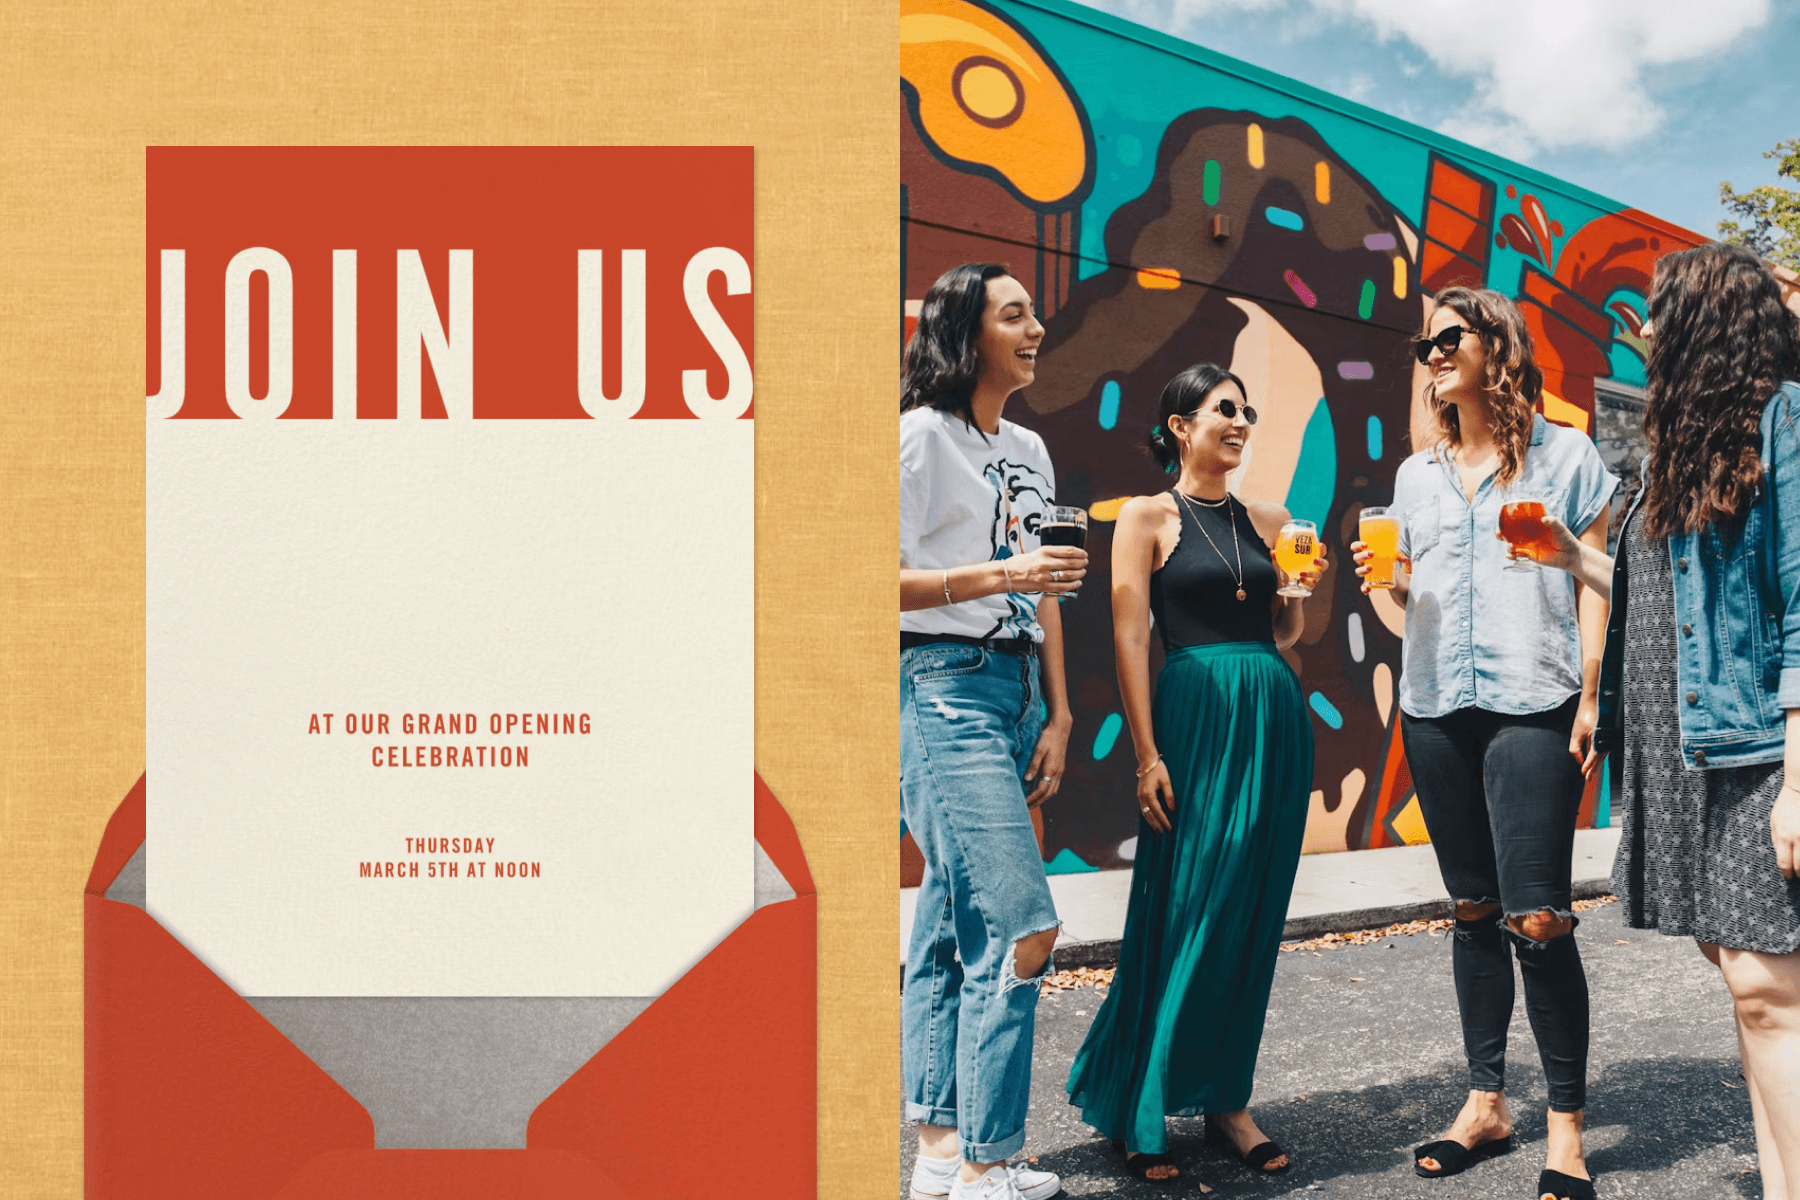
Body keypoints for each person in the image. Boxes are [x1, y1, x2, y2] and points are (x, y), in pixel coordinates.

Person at [1532, 243, 1800, 1200]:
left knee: (1770, 986)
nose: (1641, 329)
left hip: (1756, 743)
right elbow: (1654, 599)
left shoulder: (1785, 418)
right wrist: (1569, 553)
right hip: (1678, 749)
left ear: (1705, 317)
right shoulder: (1675, 449)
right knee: (1747, 981)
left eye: (1657, 310)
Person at [1350, 287, 1615, 1200]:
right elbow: (1405, 605)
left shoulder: (1567, 454)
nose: (1432, 353)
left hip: (1534, 702)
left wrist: (1590, 690)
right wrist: (1381, 586)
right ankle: (1486, 1101)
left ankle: (1567, 1129)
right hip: (1433, 707)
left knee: (1537, 916)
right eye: (1425, 343)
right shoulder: (1415, 478)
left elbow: (1596, 580)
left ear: (1496, 344)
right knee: (1470, 908)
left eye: (1449, 338)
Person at [1064, 362, 1324, 1186]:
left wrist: (1301, 593)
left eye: (1246, 411)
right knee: (1184, 909)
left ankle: (1227, 1101)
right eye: (1224, 410)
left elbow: (1284, 633)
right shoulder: (1145, 516)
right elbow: (1131, 640)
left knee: (1249, 915)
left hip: (1270, 715)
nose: (1241, 422)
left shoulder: (1273, 518)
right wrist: (1147, 754)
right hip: (1193, 718)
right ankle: (1142, 1100)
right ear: (1181, 426)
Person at [900, 262, 1088, 1200]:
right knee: (1023, 926)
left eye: (1034, 313)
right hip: (941, 686)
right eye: (1015, 314)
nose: (1037, 327)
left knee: (949, 924)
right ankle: (989, 1157)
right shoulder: (917, 442)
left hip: (1015, 690)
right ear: (966, 331)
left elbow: (1048, 584)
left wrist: (1058, 709)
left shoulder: (1030, 447)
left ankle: (939, 1150)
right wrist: (999, 579)